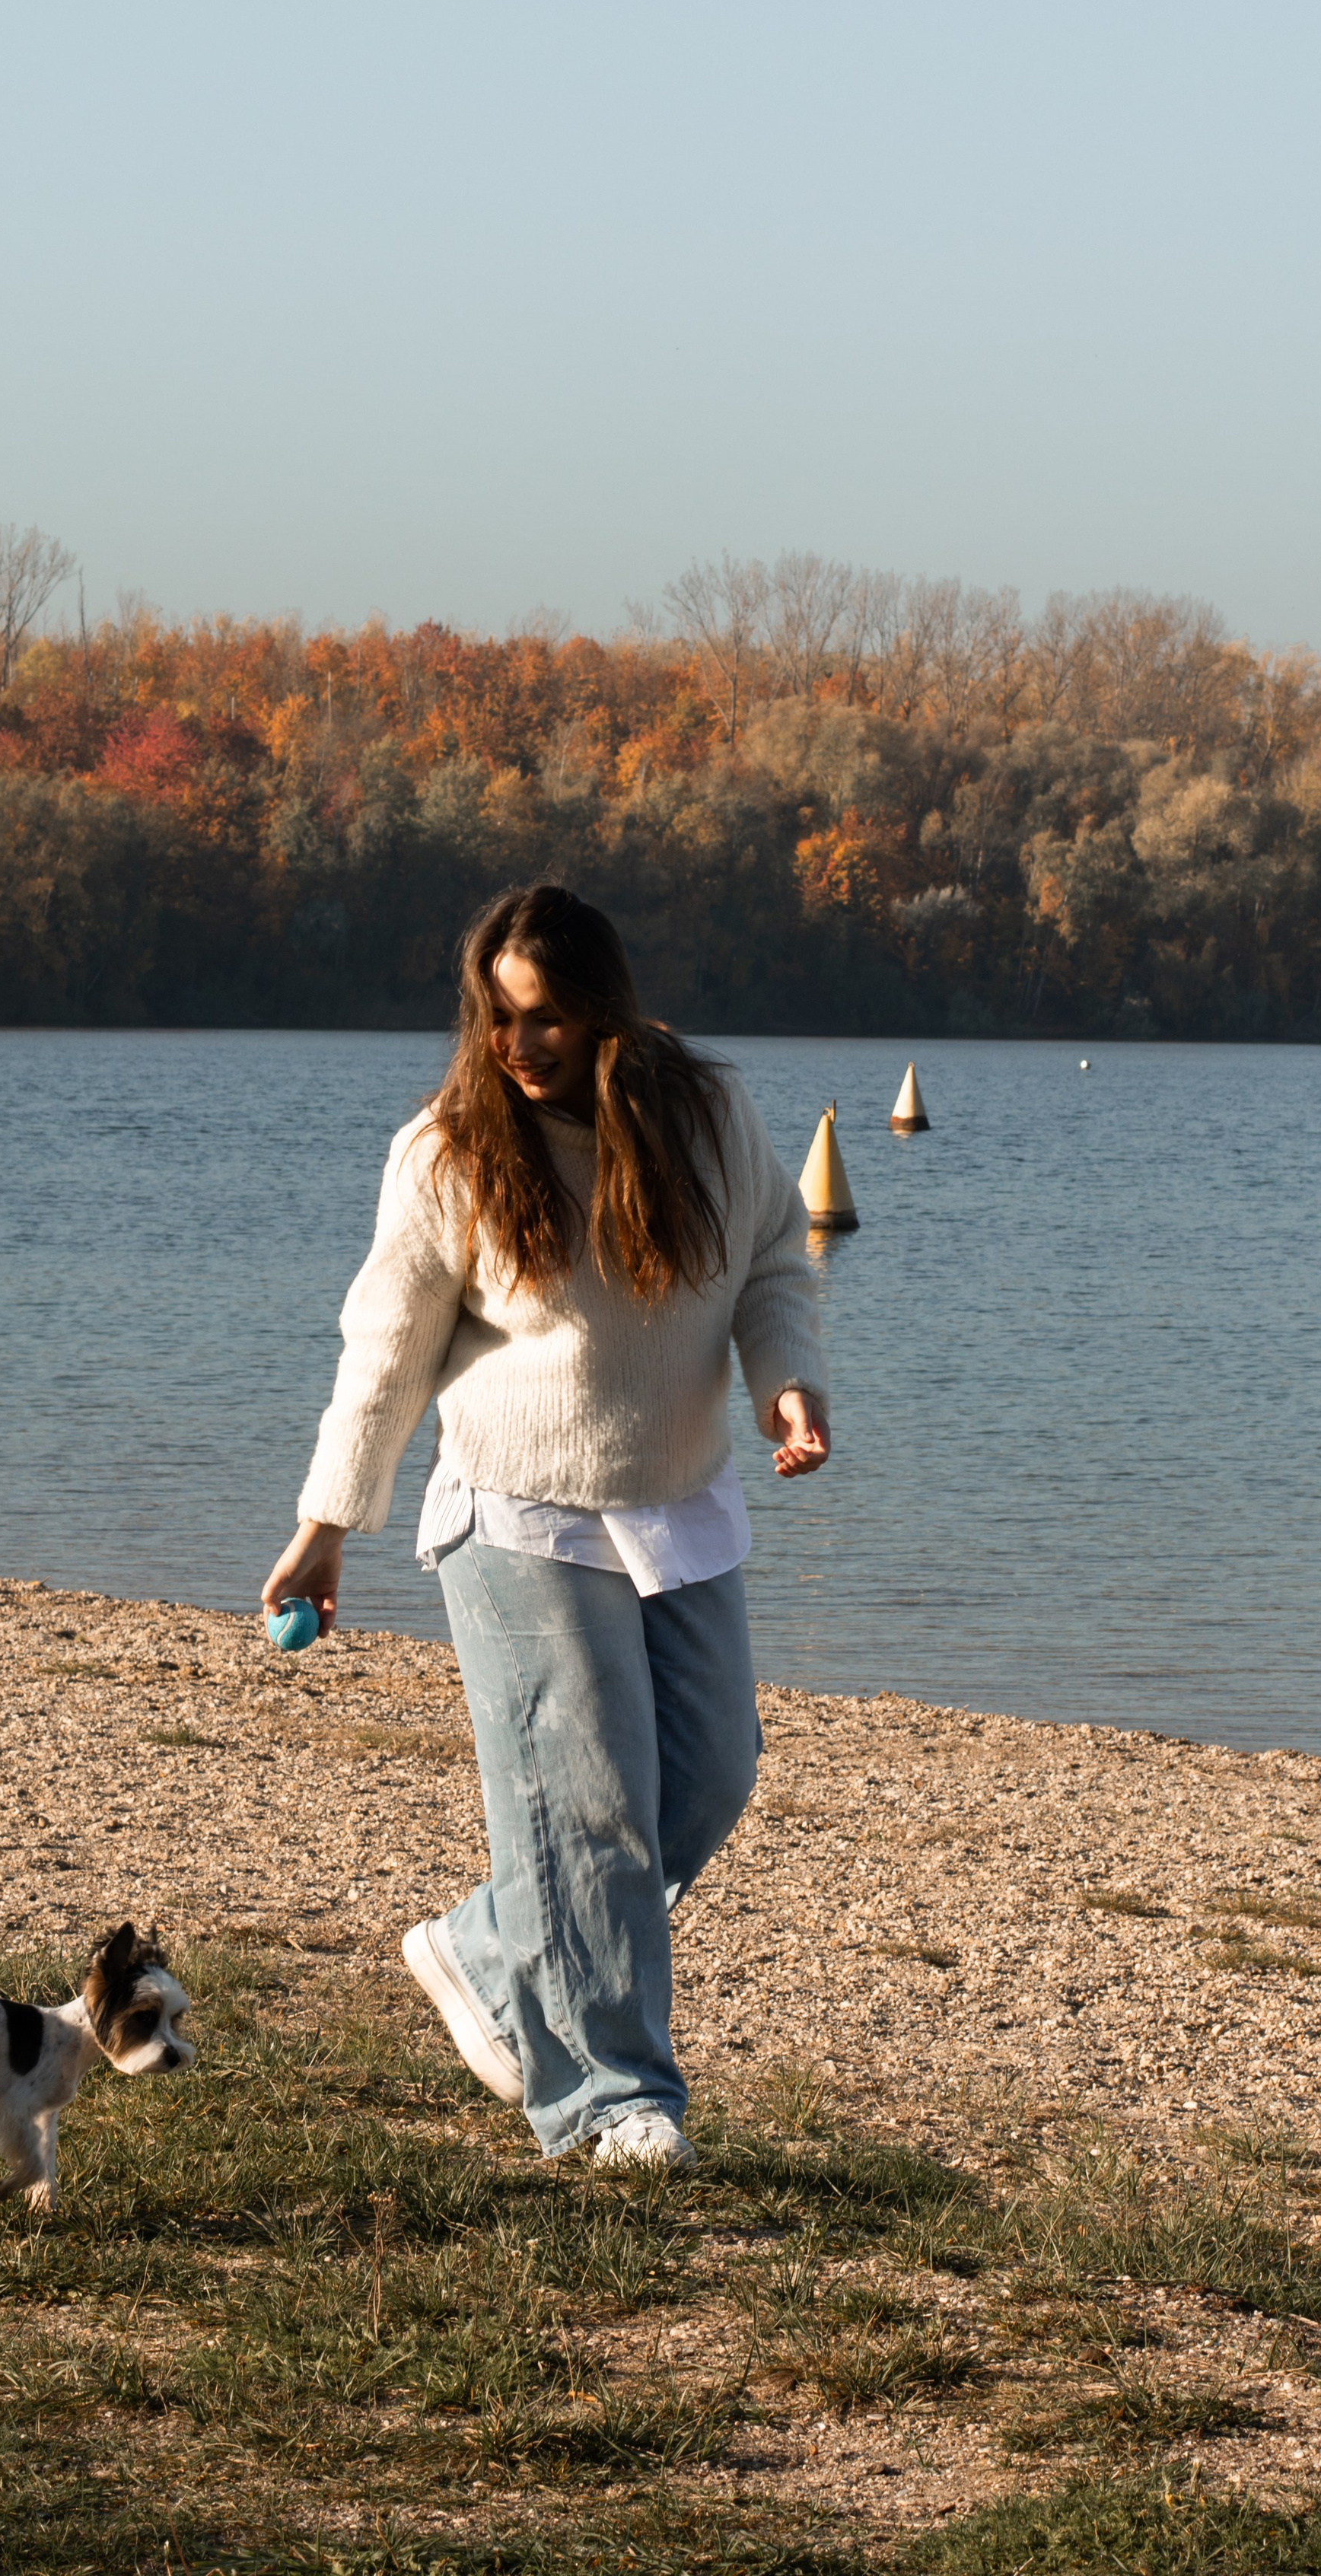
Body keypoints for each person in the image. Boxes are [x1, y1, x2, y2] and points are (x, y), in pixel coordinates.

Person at [263, 884, 830, 2168]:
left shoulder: (706, 1115)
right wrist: (328, 1518)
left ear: (605, 1014)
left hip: (676, 1499)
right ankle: (609, 2101)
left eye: (550, 1022)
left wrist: (787, 1382)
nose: (521, 1048)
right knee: (588, 1809)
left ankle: (479, 1946)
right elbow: (385, 1349)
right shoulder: (450, 1148)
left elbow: (774, 1265)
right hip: (517, 1508)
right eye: (500, 1020)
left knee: (709, 1775)